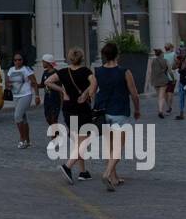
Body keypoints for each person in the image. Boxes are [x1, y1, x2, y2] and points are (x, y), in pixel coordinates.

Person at [92, 42, 140, 192]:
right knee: (118, 148)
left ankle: (114, 178)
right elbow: (134, 93)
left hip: (104, 112)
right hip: (120, 111)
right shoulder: (124, 71)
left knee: (110, 146)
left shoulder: (97, 71)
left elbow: (92, 91)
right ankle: (107, 174)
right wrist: (137, 109)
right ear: (117, 54)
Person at [50, 48, 96, 182]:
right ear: (82, 58)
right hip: (82, 108)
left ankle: (83, 172)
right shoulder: (85, 71)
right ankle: (68, 166)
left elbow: (48, 82)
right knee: (84, 140)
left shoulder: (63, 72)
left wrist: (63, 91)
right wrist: (86, 93)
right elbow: (94, 82)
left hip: (68, 108)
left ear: (69, 58)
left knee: (78, 140)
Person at [7, 53, 38, 148]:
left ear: (23, 60)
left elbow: (34, 82)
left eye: (19, 59)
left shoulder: (26, 69)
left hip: (26, 95)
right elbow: (8, 81)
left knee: (17, 116)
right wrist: (9, 85)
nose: (17, 61)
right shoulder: (11, 70)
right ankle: (28, 140)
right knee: (23, 118)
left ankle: (22, 138)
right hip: (16, 95)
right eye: (15, 60)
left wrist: (37, 95)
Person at [38, 54, 64, 127]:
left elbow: (60, 88)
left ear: (48, 63)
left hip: (55, 100)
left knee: (54, 120)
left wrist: (62, 102)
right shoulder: (45, 72)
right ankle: (56, 134)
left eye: (43, 62)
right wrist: (34, 85)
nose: (42, 63)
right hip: (47, 100)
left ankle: (55, 137)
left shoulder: (56, 74)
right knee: (48, 119)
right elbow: (42, 84)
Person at [148, 47, 173, 119]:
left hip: (155, 80)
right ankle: (161, 111)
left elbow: (149, 72)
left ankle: (163, 109)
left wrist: (148, 81)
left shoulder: (152, 61)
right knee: (162, 96)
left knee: (159, 96)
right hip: (163, 80)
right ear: (161, 54)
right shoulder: (165, 61)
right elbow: (170, 71)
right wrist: (173, 78)